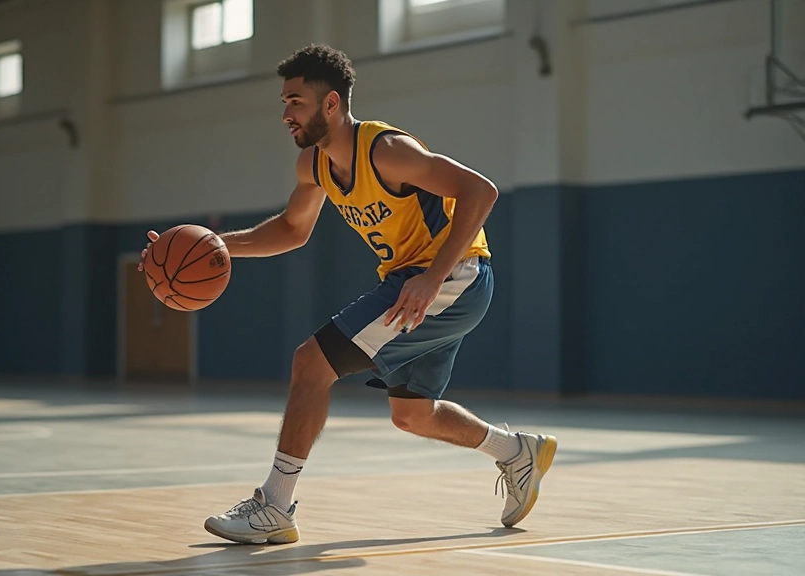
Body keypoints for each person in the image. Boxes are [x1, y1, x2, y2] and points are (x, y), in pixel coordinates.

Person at [139, 44, 557, 545]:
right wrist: (209, 247)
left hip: (452, 277)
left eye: (295, 102)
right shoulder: (315, 167)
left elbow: (480, 190)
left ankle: (274, 505)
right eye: (284, 103)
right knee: (412, 413)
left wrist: (431, 278)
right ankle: (516, 452)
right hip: (416, 281)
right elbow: (293, 229)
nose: (286, 114)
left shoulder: (385, 150)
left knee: (310, 363)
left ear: (331, 104)